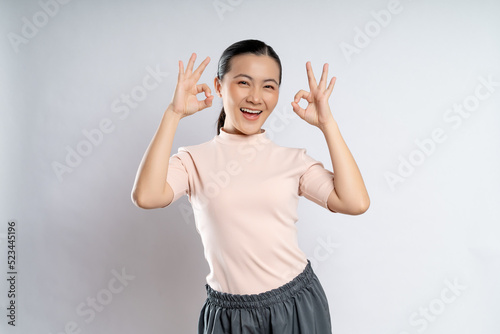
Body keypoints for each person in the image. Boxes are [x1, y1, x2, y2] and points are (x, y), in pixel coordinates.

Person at [131, 39, 370, 334]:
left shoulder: (292, 161)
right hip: (229, 316)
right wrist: (173, 114)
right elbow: (147, 195)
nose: (256, 97)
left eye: (268, 86)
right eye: (244, 83)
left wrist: (327, 124)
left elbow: (355, 202)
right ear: (219, 86)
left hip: (295, 304)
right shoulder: (194, 160)